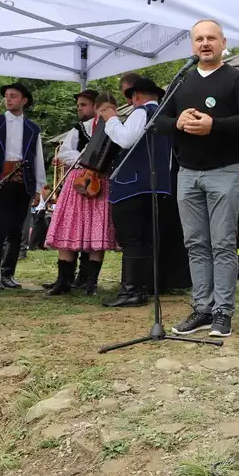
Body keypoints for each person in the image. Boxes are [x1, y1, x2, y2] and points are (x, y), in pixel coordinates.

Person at [152, 20, 239, 337]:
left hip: (224, 171)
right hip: (187, 173)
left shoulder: (236, 79)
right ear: (192, 45)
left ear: (223, 43)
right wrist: (177, 122)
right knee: (196, 244)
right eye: (199, 38)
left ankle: (223, 312)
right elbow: (158, 121)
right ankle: (202, 308)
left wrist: (214, 125)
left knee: (222, 244)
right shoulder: (182, 81)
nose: (205, 43)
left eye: (211, 38)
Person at [100, 75, 175, 307]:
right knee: (146, 239)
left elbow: (125, 139)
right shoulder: (164, 117)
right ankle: (142, 288)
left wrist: (111, 119)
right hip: (157, 188)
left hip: (132, 186)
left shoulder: (141, 112)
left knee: (131, 239)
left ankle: (130, 291)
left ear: (136, 96)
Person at [43, 90, 118, 296]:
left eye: (84, 105)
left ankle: (90, 283)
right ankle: (63, 281)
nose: (80, 109)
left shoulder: (114, 128)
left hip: (101, 184)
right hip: (78, 181)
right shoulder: (80, 129)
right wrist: (85, 158)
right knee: (70, 228)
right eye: (103, 109)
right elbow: (64, 152)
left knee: (96, 231)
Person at [0, 82, 46, 291]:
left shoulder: (33, 128)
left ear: (24, 100)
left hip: (23, 181)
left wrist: (38, 188)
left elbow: (38, 158)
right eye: (6, 95)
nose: (8, 99)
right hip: (1, 180)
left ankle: (8, 273)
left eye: (13, 96)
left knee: (16, 231)